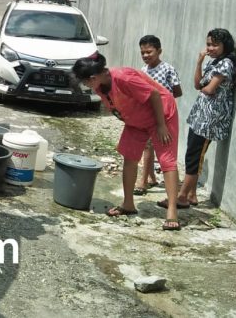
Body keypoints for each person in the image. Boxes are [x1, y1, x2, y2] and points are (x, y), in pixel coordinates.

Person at [72, 52, 182, 231]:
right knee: (129, 156)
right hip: (136, 120)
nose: (85, 85)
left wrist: (161, 126)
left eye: (84, 82)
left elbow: (154, 95)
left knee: (167, 161)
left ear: (93, 77)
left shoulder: (123, 77)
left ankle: (172, 212)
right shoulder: (100, 86)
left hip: (161, 115)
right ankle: (128, 204)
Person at [159, 28, 236, 209]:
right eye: (208, 44)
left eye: (215, 45)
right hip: (200, 115)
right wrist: (199, 62)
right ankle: (192, 194)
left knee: (194, 155)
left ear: (225, 45)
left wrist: (205, 87)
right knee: (191, 153)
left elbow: (209, 89)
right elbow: (197, 84)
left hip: (210, 119)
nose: (210, 48)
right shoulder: (214, 62)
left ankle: (182, 196)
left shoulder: (226, 64)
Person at [134, 35, 183, 196]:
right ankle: (147, 178)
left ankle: (146, 180)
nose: (146, 55)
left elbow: (177, 90)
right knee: (148, 146)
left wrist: (164, 101)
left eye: (149, 52)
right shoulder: (143, 71)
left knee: (162, 147)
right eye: (143, 53)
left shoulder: (167, 69)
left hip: (165, 114)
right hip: (149, 114)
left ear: (159, 51)